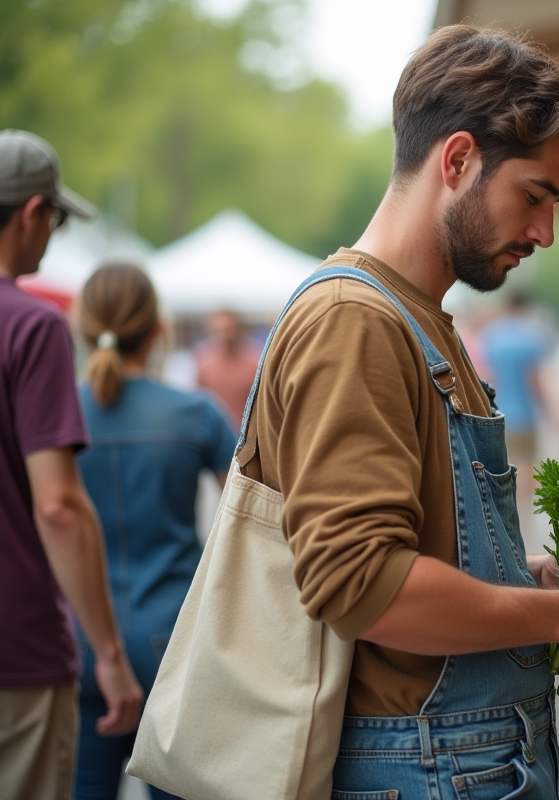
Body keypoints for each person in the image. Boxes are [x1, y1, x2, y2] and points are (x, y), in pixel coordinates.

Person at [235, 26, 559, 799]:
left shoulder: (419, 319)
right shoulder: (355, 320)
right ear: (459, 159)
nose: (544, 231)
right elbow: (359, 583)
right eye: (534, 195)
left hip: (463, 761)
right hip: (427, 767)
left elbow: (418, 549)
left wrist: (524, 581)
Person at [0, 129, 141, 800]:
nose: (51, 235)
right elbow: (57, 506)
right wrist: (108, 656)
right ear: (32, 212)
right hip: (15, 653)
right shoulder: (31, 326)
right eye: (54, 219)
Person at [72, 262, 238, 800]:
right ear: (157, 331)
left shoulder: (55, 417)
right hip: (175, 642)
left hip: (78, 641)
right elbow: (250, 525)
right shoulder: (196, 414)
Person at [477, 290, 546, 532]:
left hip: (500, 414)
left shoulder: (492, 336)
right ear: (523, 308)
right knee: (527, 467)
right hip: (525, 415)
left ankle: (507, 516)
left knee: (504, 465)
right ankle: (524, 520)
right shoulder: (529, 338)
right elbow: (533, 380)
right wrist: (545, 408)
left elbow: (487, 377)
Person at [193, 309, 260, 423]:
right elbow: (198, 399)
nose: (223, 335)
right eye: (218, 330)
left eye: (228, 329)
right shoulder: (203, 361)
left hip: (246, 432)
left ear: (237, 329)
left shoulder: (254, 361)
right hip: (213, 432)